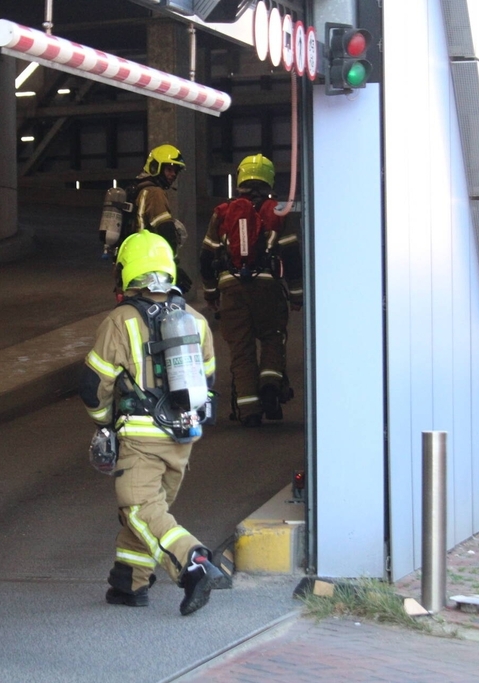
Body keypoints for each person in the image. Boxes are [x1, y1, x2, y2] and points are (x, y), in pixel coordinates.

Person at [79, 229, 226, 615]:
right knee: (148, 512)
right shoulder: (194, 319)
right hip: (183, 437)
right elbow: (208, 378)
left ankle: (194, 565)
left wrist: (102, 424)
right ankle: (130, 583)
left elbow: (94, 386)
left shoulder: (120, 321)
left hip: (141, 436)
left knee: (139, 509)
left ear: (128, 272)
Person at [199, 154, 303, 427]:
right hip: (268, 287)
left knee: (241, 351)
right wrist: (296, 295)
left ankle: (249, 410)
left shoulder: (223, 212)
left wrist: (211, 293)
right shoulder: (280, 210)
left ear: (241, 178)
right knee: (272, 337)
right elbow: (292, 253)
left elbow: (206, 256)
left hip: (231, 288)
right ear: (269, 178)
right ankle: (270, 382)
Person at [120, 143, 193, 293]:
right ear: (155, 167)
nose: (173, 174)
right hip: (150, 267)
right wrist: (173, 268)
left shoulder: (138, 189)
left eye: (175, 171)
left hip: (132, 263)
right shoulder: (154, 192)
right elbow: (166, 231)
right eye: (169, 169)